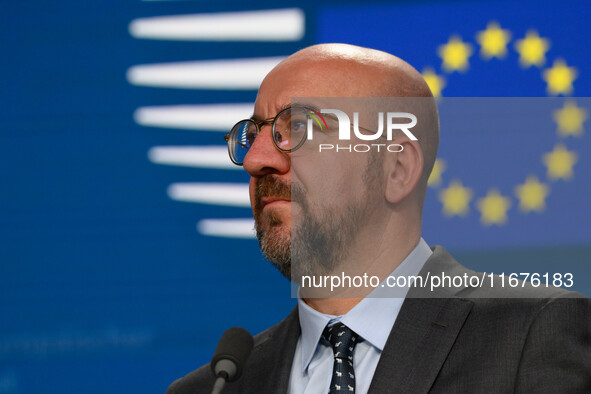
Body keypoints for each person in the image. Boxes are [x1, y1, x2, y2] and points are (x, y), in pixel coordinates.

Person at [167, 44, 591, 393]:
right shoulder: (212, 388)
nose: (255, 160)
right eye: (253, 134)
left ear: (398, 170)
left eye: (299, 126)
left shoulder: (532, 334)